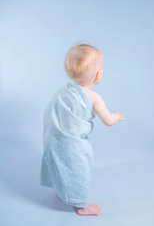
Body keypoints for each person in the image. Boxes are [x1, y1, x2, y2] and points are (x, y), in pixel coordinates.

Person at [40, 43, 126, 216]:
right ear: (98, 75)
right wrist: (116, 116)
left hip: (55, 139)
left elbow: (50, 112)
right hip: (74, 144)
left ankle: (62, 191)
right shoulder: (94, 98)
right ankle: (81, 205)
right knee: (79, 169)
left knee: (61, 165)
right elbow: (108, 121)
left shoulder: (62, 92)